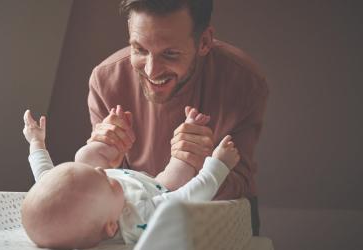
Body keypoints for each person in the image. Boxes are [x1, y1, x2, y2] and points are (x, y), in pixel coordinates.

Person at [86, 0, 268, 234]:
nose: (152, 71)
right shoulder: (105, 81)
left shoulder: (245, 81)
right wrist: (100, 155)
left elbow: (240, 184)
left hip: (217, 217)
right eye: (140, 49)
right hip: (136, 215)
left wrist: (204, 165)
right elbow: (105, 186)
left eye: (170, 54)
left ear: (204, 42)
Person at [21, 109, 240, 249]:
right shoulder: (138, 215)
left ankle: (114, 133)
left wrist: (36, 141)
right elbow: (189, 196)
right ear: (110, 226)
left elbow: (44, 174)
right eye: (105, 182)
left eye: (95, 173)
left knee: (84, 156)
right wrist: (219, 165)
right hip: (156, 186)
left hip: (123, 174)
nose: (100, 172)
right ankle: (191, 132)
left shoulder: (96, 196)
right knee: (177, 176)